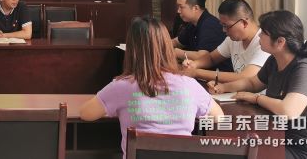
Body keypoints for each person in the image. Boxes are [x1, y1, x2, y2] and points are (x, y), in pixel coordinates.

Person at [80, 17, 223, 157]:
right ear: (167, 47)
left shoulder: (121, 87)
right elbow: (219, 117)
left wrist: (120, 108)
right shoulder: (190, 85)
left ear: (132, 51)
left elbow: (86, 114)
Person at [209, 10, 307, 158]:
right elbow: (252, 83)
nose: (259, 36)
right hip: (284, 138)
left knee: (241, 152)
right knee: (233, 146)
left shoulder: (305, 68)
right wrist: (223, 87)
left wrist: (256, 98)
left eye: (263, 33)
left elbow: (288, 111)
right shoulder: (274, 60)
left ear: (280, 42)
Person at [182, 0, 269, 83]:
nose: (224, 30)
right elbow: (212, 58)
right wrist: (195, 64)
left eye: (226, 26)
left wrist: (197, 72)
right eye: (222, 26)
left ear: (244, 23)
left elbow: (245, 77)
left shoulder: (264, 42)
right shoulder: (232, 40)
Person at [172, 0, 231, 71]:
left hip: (217, 74)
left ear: (195, 8)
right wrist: (161, 45)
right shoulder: (192, 24)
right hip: (199, 71)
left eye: (181, 7)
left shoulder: (210, 24)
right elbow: (177, 42)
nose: (178, 11)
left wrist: (177, 52)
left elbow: (202, 56)